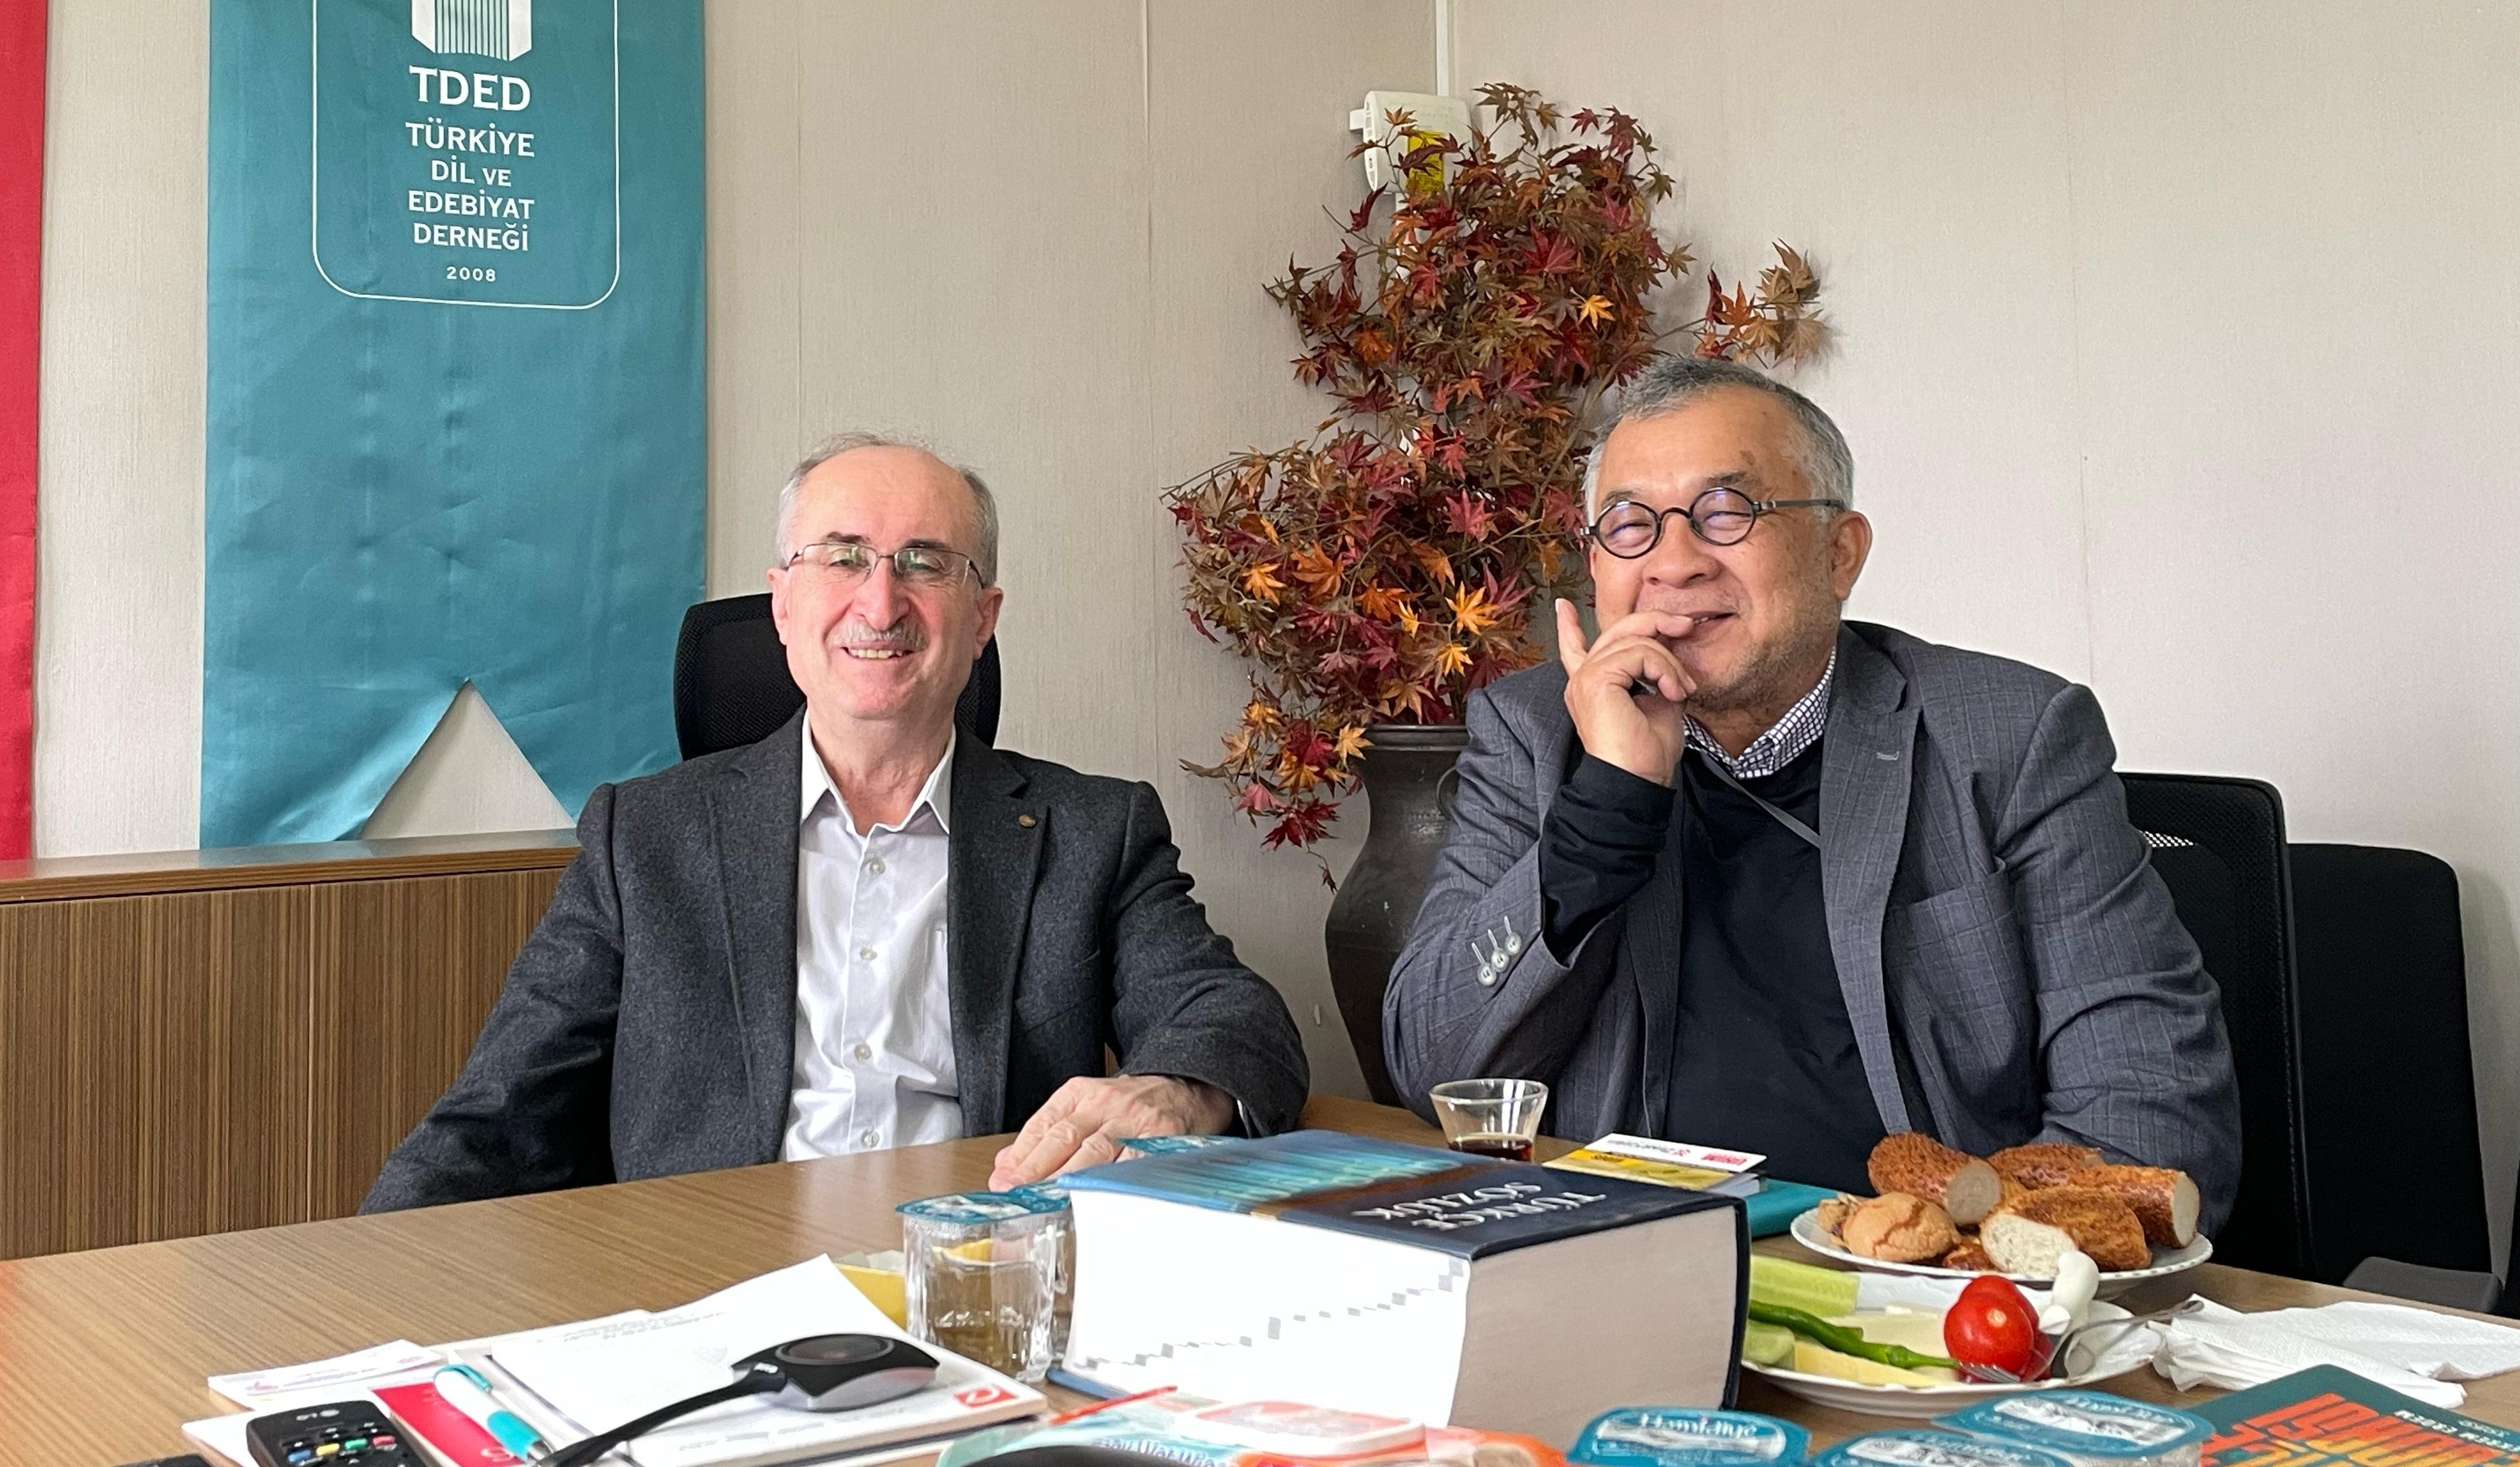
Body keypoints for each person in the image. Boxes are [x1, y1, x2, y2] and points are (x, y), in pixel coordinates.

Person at [1382, 358, 2240, 1224]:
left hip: (1923, 1272)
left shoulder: (2009, 737)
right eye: (1630, 524)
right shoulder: (1536, 734)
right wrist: (1608, 802)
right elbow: (1435, 1073)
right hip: (1628, 1255)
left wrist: (1972, 1268)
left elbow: (2149, 1108)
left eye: (1726, 512)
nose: (1674, 564)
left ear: (1840, 553)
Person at [366, 433, 1307, 1210]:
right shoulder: (644, 837)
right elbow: (497, 1118)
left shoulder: (1093, 831)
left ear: (983, 618)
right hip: (707, 1282)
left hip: (979, 1274)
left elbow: (1237, 1021)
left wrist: (1176, 1093)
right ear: (782, 603)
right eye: (843, 557)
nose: (881, 601)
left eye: (924, 563)